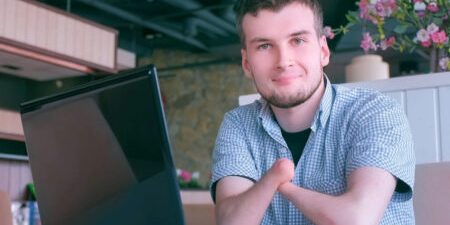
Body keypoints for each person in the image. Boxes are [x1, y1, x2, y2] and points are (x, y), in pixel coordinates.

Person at [209, 0, 416, 224]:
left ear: (323, 51)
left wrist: (282, 184)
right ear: (247, 63)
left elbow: (356, 220)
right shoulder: (238, 124)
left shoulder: (374, 112)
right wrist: (272, 178)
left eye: (297, 40)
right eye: (265, 46)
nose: (284, 61)